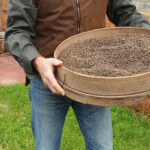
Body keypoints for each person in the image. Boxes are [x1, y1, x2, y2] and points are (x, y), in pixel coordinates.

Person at [5, 0, 150, 150]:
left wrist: (147, 37)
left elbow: (126, 12)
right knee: (45, 146)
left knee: (102, 146)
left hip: (93, 80)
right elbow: (16, 32)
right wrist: (36, 61)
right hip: (48, 79)